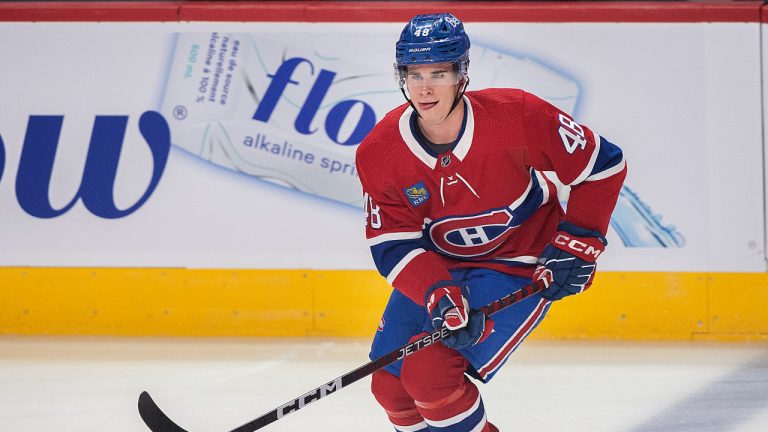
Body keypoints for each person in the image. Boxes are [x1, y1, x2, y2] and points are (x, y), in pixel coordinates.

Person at [355, 12, 626, 432]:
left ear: (461, 73)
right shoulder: (380, 152)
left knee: (430, 375)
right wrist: (436, 291)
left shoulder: (515, 116)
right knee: (390, 388)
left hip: (519, 261)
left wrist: (577, 243)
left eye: (439, 73)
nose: (425, 88)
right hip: (440, 264)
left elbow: (602, 165)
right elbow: (393, 243)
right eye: (414, 73)